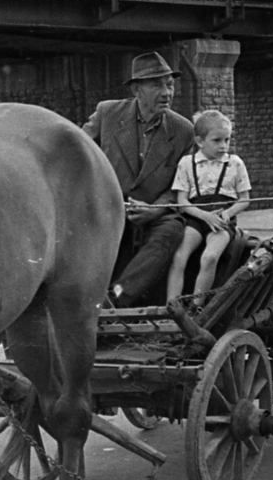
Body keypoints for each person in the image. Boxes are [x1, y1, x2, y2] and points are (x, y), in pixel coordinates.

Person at [83, 51, 197, 307]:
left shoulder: (184, 130)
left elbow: (180, 185)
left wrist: (154, 209)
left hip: (155, 208)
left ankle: (117, 299)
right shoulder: (108, 113)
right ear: (136, 90)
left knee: (172, 230)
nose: (167, 92)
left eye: (170, 84)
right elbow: (78, 153)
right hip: (109, 204)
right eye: (156, 85)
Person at [165, 109, 252, 303]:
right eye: (217, 140)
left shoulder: (235, 163)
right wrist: (205, 216)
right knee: (179, 257)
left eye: (227, 140)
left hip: (222, 221)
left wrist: (227, 214)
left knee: (210, 257)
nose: (223, 146)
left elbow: (245, 199)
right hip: (196, 217)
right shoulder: (187, 163)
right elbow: (182, 201)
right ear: (199, 141)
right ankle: (172, 307)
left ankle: (197, 306)